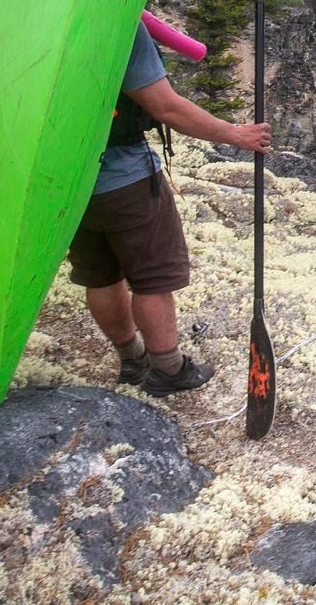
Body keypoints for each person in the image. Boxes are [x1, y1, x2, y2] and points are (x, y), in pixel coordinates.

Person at [68, 20, 270, 396]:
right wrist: (233, 133)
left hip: (63, 183)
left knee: (99, 275)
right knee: (153, 279)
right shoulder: (118, 26)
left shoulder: (36, 16)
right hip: (124, 180)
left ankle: (132, 360)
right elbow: (165, 106)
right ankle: (168, 369)